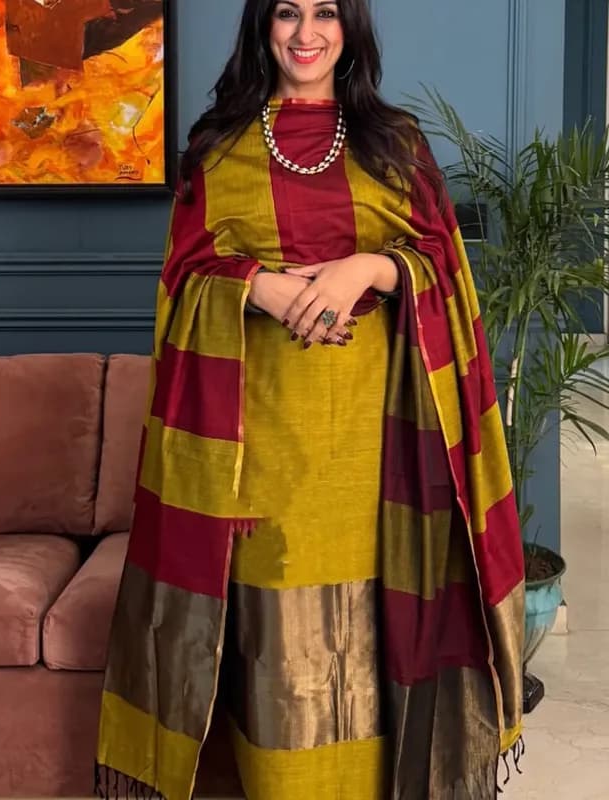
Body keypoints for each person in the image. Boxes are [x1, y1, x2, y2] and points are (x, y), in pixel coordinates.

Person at [95, 1, 526, 798]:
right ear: (262, 29)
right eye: (286, 13)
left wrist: (371, 268)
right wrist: (255, 286)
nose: (305, 33)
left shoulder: (394, 142)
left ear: (349, 28)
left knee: (381, 628)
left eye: (325, 12)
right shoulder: (218, 146)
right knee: (281, 650)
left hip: (383, 444)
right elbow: (183, 278)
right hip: (259, 441)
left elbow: (442, 264)